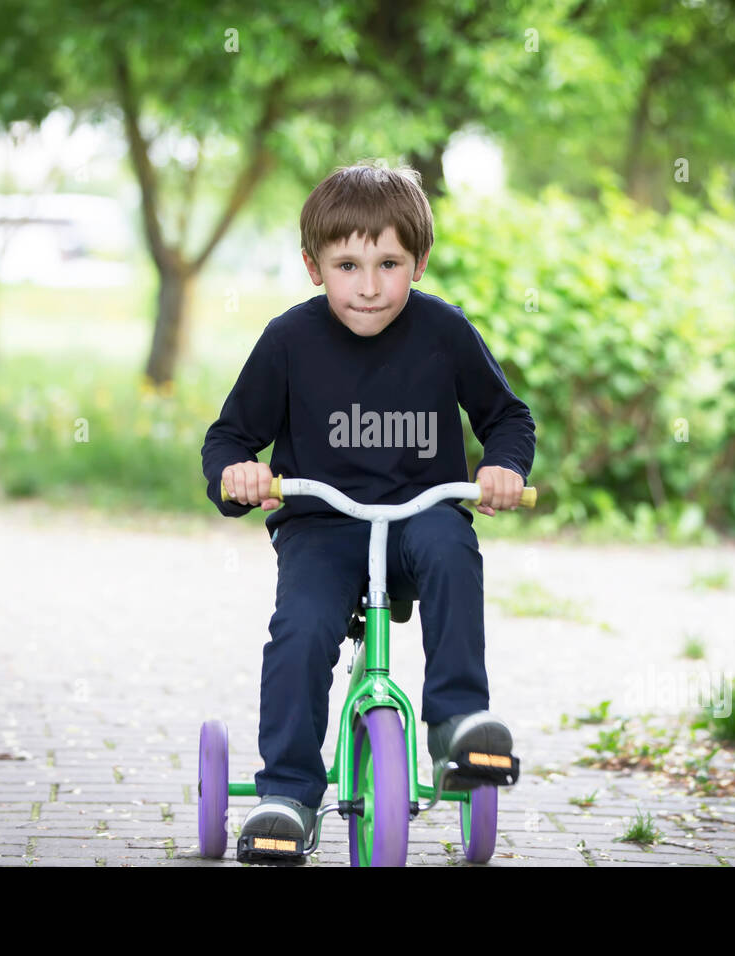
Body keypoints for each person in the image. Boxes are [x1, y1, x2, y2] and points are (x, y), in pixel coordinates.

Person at [200, 160, 536, 864]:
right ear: (313, 266)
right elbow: (231, 437)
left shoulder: (443, 331)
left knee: (452, 550)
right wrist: (239, 474)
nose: (371, 284)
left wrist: (502, 467)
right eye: (348, 263)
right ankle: (288, 793)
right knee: (301, 627)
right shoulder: (289, 341)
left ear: (420, 260)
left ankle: (455, 723)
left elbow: (506, 416)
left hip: (422, 515)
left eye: (389, 262)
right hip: (322, 526)